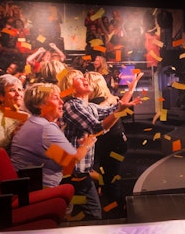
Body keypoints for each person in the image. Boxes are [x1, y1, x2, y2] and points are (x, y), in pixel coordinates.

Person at [60, 69, 141, 219]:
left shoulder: (87, 106)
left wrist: (131, 90)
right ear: (69, 87)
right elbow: (98, 127)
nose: (85, 79)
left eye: (84, 77)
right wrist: (119, 111)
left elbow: (115, 108)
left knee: (85, 212)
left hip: (80, 172)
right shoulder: (72, 105)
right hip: (72, 172)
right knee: (89, 213)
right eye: (79, 78)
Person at [10, 82, 95, 189]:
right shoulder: (46, 128)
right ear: (40, 104)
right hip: (39, 189)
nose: (61, 102)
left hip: (25, 185)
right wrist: (87, 144)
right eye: (55, 98)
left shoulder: (33, 122)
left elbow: (59, 158)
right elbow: (72, 160)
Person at [85, 71, 129, 213]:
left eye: (86, 82)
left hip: (111, 144)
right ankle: (116, 207)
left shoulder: (97, 103)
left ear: (93, 85)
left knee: (110, 179)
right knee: (110, 176)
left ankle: (119, 211)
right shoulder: (108, 98)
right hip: (117, 143)